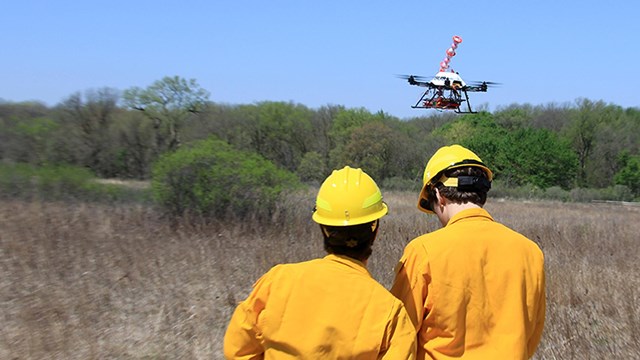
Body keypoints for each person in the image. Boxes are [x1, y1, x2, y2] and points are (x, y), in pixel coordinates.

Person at [224, 166, 417, 359]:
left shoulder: (276, 282)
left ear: (323, 228)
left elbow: (238, 351)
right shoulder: (390, 313)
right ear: (375, 230)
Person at [390, 145, 546, 359]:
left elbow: (398, 338)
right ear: (482, 194)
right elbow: (532, 333)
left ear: (438, 195)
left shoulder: (423, 252)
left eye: (432, 206)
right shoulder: (530, 253)